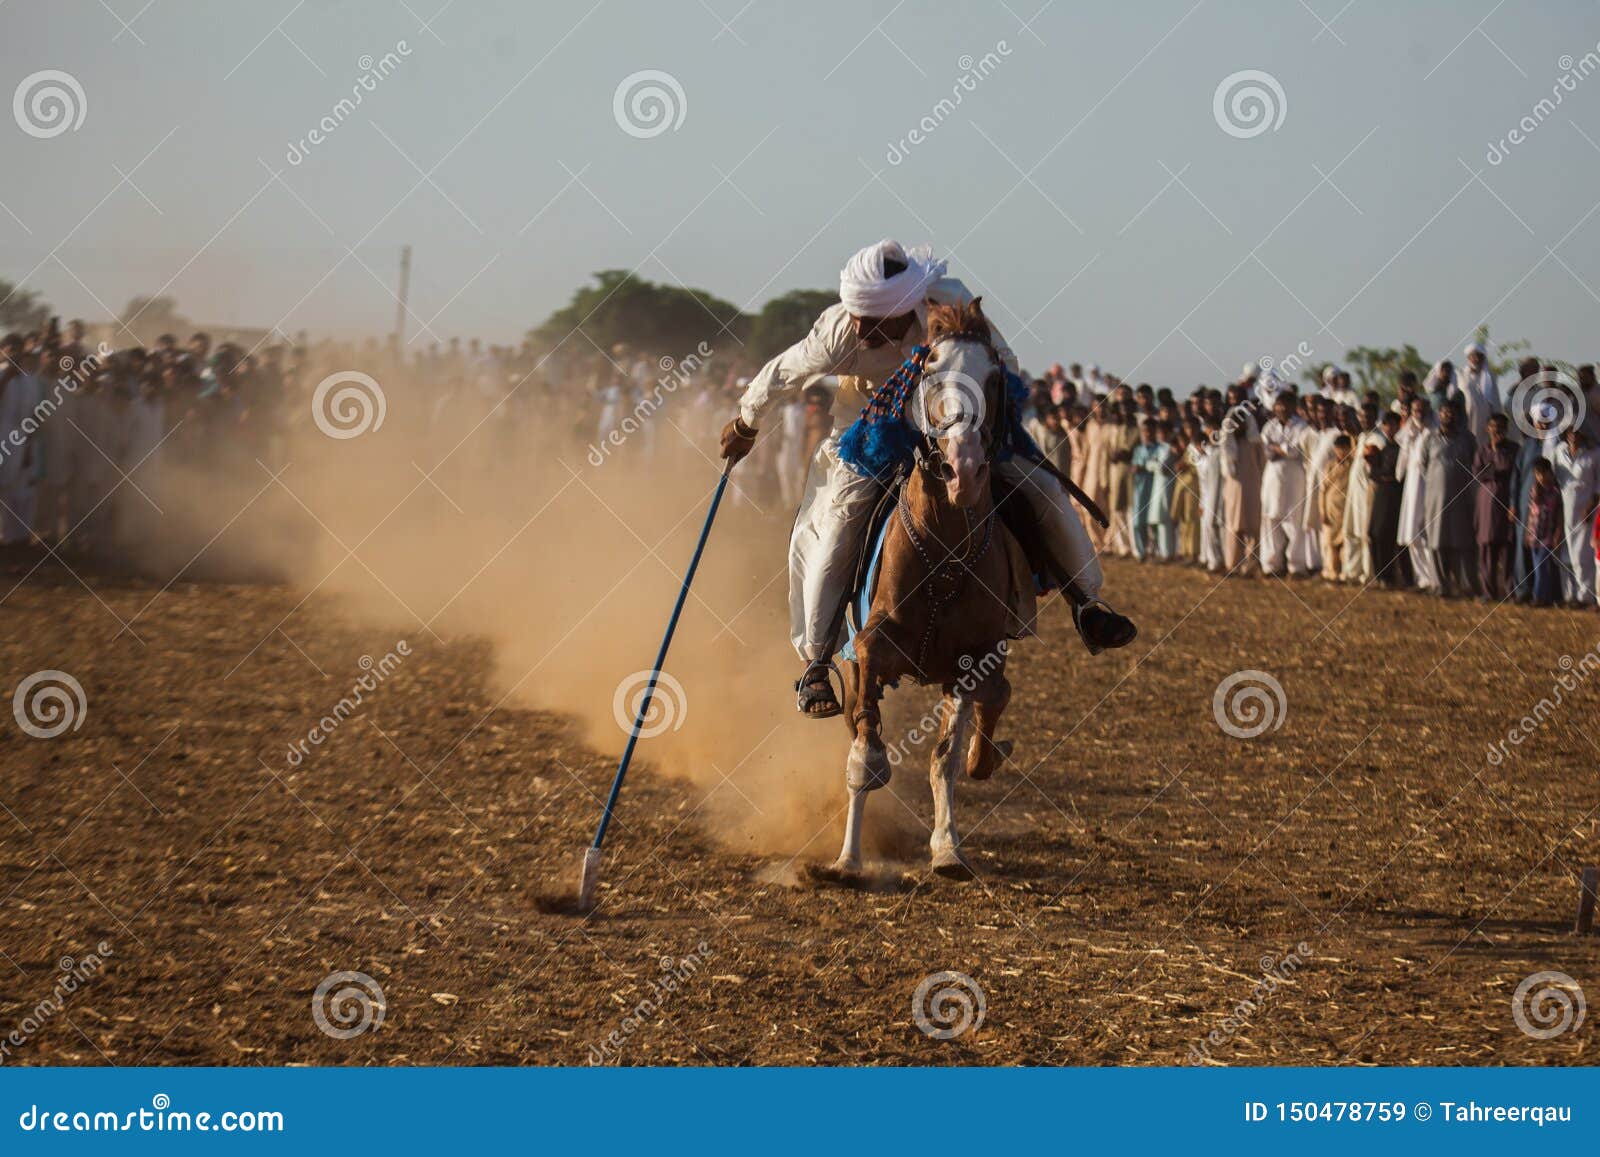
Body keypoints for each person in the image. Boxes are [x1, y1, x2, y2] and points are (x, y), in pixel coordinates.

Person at [718, 239, 1136, 717]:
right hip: (867, 424)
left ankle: (1087, 604)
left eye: (871, 319)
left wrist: (970, 417)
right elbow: (782, 373)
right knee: (836, 524)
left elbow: (1005, 363)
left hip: (958, 420)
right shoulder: (839, 333)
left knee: (1042, 488)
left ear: (905, 310)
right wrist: (746, 423)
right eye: (855, 314)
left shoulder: (951, 306)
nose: (859, 326)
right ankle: (816, 662)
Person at [1418, 399, 1479, 597]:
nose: (1448, 416)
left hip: (1461, 499)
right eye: (1444, 412)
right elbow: (1424, 465)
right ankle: (1440, 585)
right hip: (1435, 500)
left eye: (1452, 412)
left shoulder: (1467, 439)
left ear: (1458, 415)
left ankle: (1467, 585)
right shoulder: (1430, 439)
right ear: (1439, 414)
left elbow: (1475, 464)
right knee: (1436, 542)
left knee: (1463, 542)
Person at [1259, 391, 1310, 577]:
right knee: (1270, 519)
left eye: (1285, 404)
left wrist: (1277, 447)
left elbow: (1295, 451)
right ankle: (1271, 565)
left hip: (1293, 477)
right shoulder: (1269, 427)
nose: (1281, 408)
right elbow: (1267, 450)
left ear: (1293, 406)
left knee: (1293, 521)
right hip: (1272, 476)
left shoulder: (1302, 427)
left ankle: (1296, 566)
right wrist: (1280, 449)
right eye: (1278, 405)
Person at [1551, 426, 1600, 607]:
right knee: (1565, 553)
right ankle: (1569, 595)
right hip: (1563, 509)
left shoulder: (1594, 454)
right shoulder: (1559, 451)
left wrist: (1591, 505)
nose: (1573, 435)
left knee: (1582, 555)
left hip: (1585, 510)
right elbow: (1554, 480)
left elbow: (1598, 485)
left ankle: (1585, 597)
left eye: (1577, 431)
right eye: (1570, 432)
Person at [1471, 413, 1517, 601]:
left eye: (1500, 427)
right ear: (1487, 429)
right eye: (1493, 426)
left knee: (1507, 550)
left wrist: (1499, 454)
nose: (1496, 430)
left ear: (1506, 429)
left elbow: (1511, 471)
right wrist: (1495, 457)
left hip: (1507, 504)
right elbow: (1477, 473)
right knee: (1487, 551)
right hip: (1487, 507)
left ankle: (1510, 592)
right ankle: (1489, 592)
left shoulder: (1514, 450)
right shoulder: (1482, 451)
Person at [1397, 396, 1438, 592]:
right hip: (1411, 487)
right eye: (1415, 411)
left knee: (1427, 534)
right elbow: (1402, 462)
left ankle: (1434, 579)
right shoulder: (1410, 432)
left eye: (1421, 411)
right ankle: (1421, 579)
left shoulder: (1434, 432)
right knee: (1412, 535)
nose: (1418, 414)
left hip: (1428, 486)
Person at [1219, 388, 1263, 573]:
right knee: (1234, 526)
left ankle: (1251, 564)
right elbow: (1226, 467)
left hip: (1253, 485)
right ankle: (1232, 564)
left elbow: (1262, 463)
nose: (1239, 425)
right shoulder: (1228, 448)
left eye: (1242, 422)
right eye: (1235, 422)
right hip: (1234, 487)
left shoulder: (1254, 443)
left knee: (1253, 525)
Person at [1366, 410, 1405, 587]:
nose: (1389, 429)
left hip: (1394, 494)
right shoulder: (1382, 449)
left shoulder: (1402, 449)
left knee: (1386, 534)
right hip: (1381, 493)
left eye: (1393, 425)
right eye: (1386, 425)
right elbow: (1374, 473)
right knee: (1373, 532)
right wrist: (1383, 475)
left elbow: (1396, 475)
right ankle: (1379, 575)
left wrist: (1384, 474)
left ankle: (1388, 577)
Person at [1131, 418, 1175, 560]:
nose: (1147, 434)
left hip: (1156, 488)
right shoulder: (1138, 449)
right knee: (1138, 521)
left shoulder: (1162, 448)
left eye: (1150, 431)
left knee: (1156, 521)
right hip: (1140, 489)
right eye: (1144, 431)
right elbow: (1135, 467)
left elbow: (1161, 467)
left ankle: (1157, 551)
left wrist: (1146, 467)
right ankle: (1141, 552)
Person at [1524, 460, 1563, 607]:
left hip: (1547, 535)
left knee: (1541, 566)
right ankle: (1546, 597)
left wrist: (1557, 534)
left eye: (1542, 473)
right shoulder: (1534, 491)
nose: (1540, 477)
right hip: (1534, 534)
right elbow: (1531, 514)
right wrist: (1527, 532)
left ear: (1549, 472)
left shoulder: (1555, 492)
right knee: (1538, 567)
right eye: (1537, 474)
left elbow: (1559, 515)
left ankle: (1539, 597)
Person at [1319, 434, 1352, 580]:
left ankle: (1345, 572)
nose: (1341, 452)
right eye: (1339, 449)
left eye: (1345, 449)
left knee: (1344, 542)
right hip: (1330, 509)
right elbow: (1322, 490)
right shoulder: (1329, 466)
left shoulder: (1352, 466)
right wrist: (1322, 511)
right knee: (1329, 543)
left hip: (1346, 509)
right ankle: (1332, 573)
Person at [1458, 342, 1501, 444]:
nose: (1476, 359)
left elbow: (1496, 401)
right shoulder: (1461, 376)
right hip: (1466, 420)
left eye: (1479, 356)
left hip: (1486, 422)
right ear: (1468, 358)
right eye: (1473, 356)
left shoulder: (1490, 377)